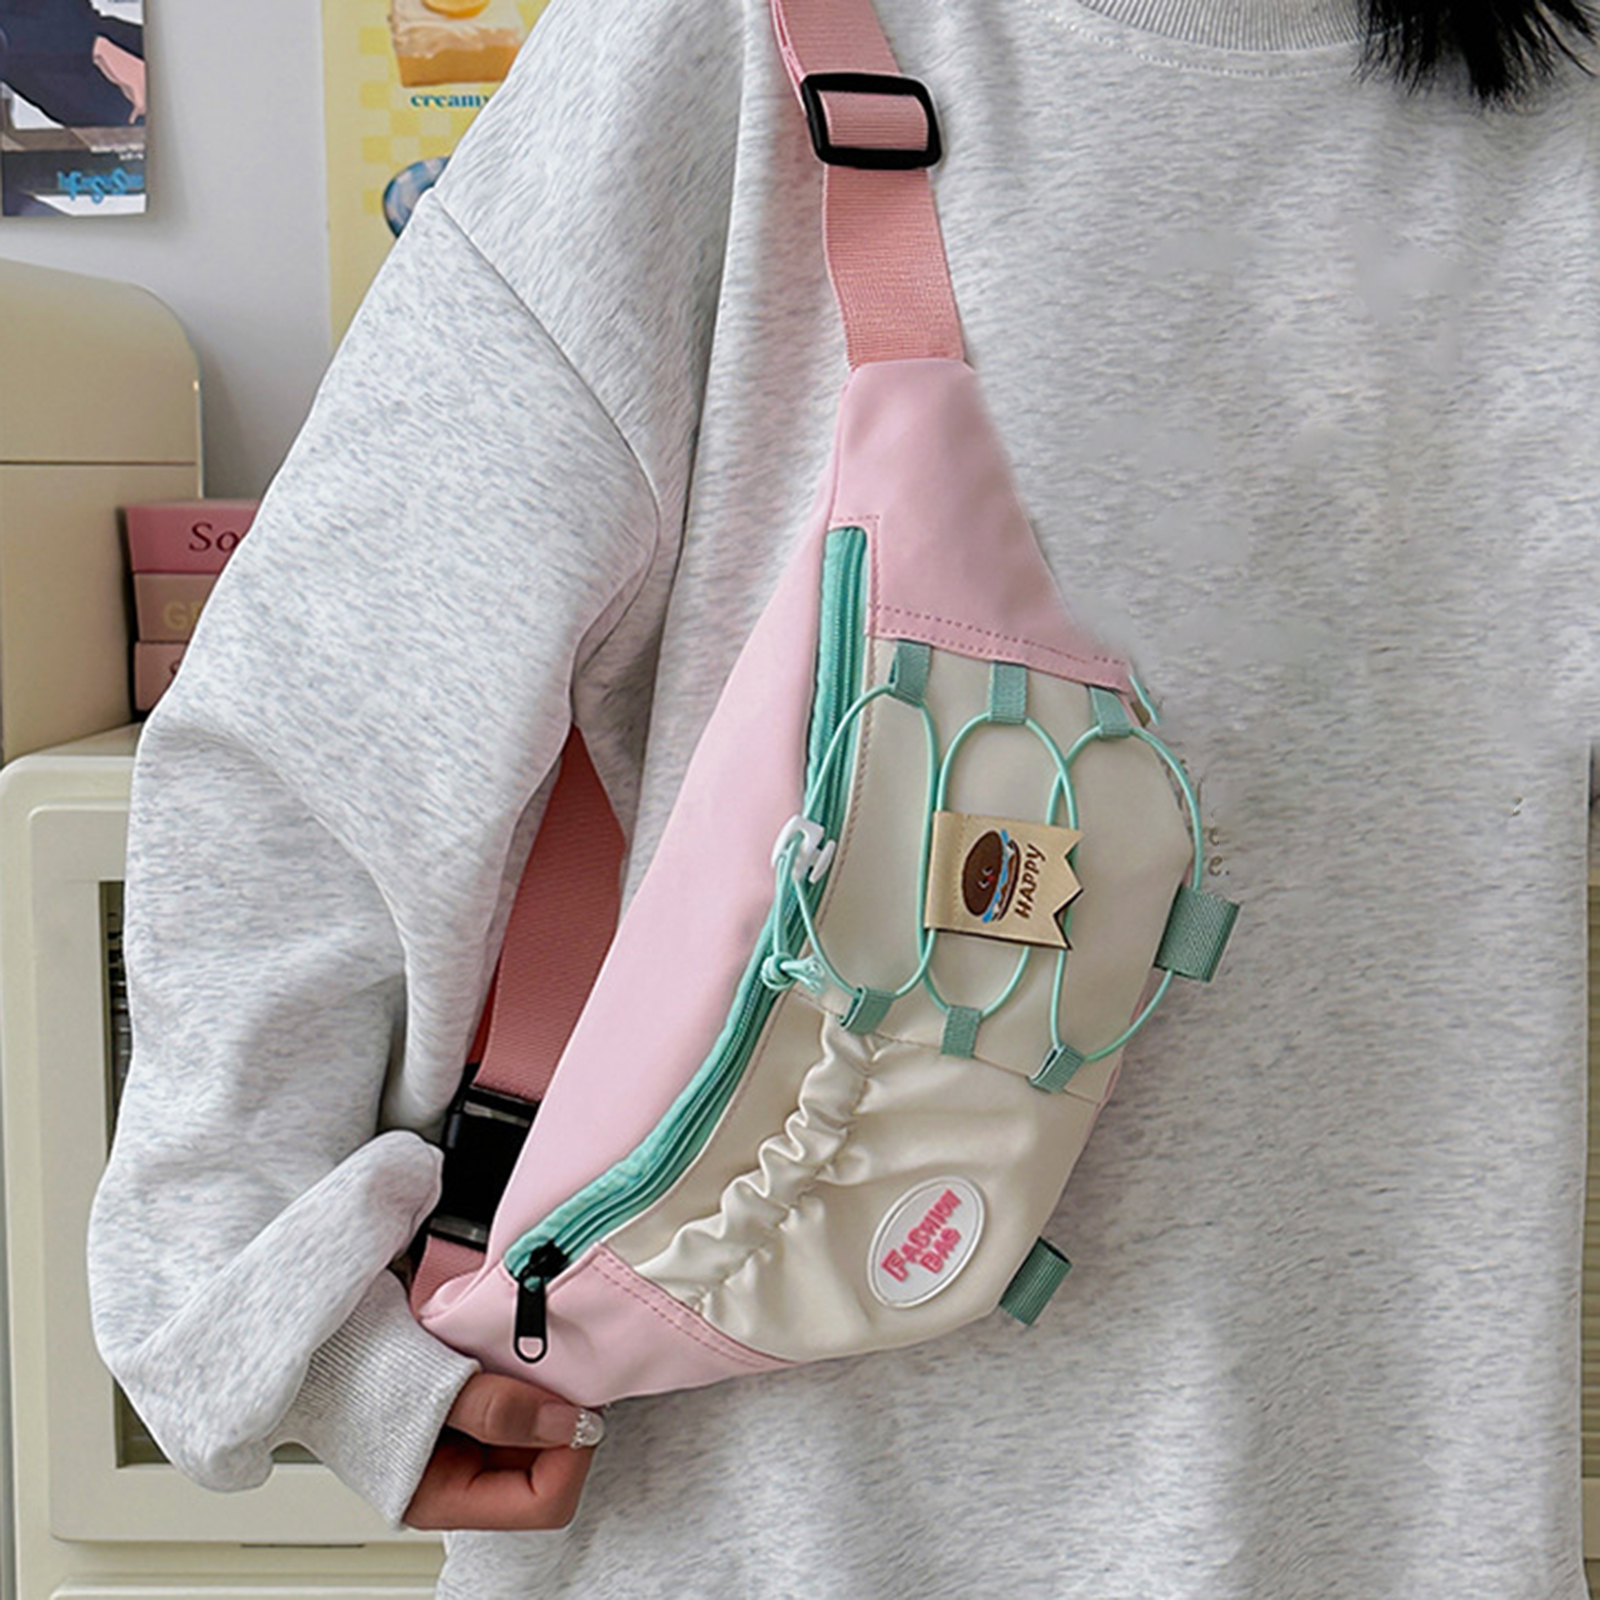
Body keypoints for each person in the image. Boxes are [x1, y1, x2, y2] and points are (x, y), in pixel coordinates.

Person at [85, 0, 1600, 1595]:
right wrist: (286, 1322)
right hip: (760, 1519)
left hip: (1363, 1503)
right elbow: (329, 715)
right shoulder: (739, 35)